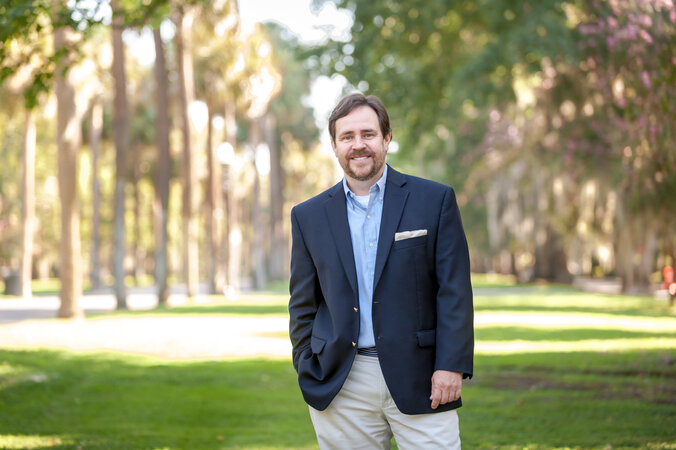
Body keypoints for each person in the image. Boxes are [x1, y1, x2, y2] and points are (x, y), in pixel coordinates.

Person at [288, 92, 474, 449]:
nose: (358, 145)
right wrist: (306, 363)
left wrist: (451, 365)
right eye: (347, 136)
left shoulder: (434, 200)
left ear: (387, 138)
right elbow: (303, 303)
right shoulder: (307, 216)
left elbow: (454, 292)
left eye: (368, 134)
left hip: (423, 375)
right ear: (334, 145)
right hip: (341, 381)